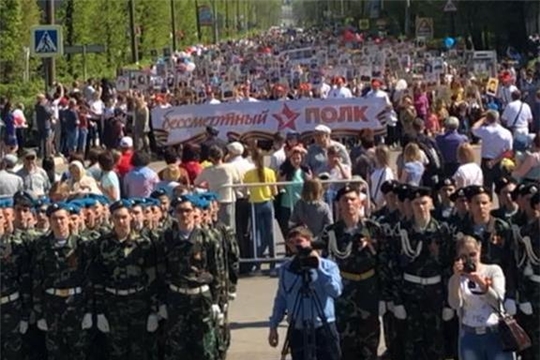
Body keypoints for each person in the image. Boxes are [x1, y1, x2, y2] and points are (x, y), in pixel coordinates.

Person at [319, 186, 382, 360]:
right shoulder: (331, 232)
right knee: (345, 343)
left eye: (352, 199)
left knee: (370, 343)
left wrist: (386, 296)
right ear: (338, 204)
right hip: (344, 292)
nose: (349, 203)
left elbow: (383, 262)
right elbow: (324, 264)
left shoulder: (373, 229)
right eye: (345, 200)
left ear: (360, 202)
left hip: (368, 290)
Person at [157, 195, 221, 360]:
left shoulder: (207, 238)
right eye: (180, 211)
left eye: (187, 210)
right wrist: (162, 302)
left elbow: (217, 271)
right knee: (178, 349)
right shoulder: (167, 239)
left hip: (200, 298)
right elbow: (161, 272)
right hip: (176, 297)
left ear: (194, 212)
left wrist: (217, 302)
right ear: (174, 214)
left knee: (205, 348)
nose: (184, 214)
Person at [92, 199, 158, 360]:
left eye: (123, 217)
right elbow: (98, 278)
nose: (121, 221)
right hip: (113, 304)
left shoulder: (144, 243)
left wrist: (153, 311)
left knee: (140, 351)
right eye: (116, 217)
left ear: (130, 217)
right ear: (111, 219)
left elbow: (152, 279)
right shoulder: (102, 244)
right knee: (116, 352)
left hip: (138, 303)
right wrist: (99, 311)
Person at [268, 226, 342, 360]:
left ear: (310, 241)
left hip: (323, 327)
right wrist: (273, 326)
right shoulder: (287, 269)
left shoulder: (328, 266)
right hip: (298, 328)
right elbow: (281, 299)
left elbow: (335, 291)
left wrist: (318, 266)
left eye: (299, 241)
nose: (296, 246)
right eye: (291, 243)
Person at [31, 202, 94, 359]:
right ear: (50, 221)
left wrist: (89, 311)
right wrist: (39, 313)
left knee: (78, 352)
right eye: (54, 219)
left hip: (76, 306)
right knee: (55, 353)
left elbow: (89, 279)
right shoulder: (41, 246)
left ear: (68, 219)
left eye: (62, 218)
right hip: (52, 307)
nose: (59, 223)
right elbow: (37, 280)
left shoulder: (82, 245)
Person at [448, 235, 514, 360]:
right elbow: (455, 304)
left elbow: (498, 301)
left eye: (473, 254)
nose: (470, 260)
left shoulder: (493, 270)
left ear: (480, 251)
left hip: (494, 332)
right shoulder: (456, 279)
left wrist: (482, 284)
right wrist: (457, 277)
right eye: (464, 257)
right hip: (470, 334)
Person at [471, 110, 513, 194]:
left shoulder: (485, 130)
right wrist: (495, 161)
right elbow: (509, 151)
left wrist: (482, 119)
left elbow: (473, 128)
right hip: (500, 161)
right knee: (501, 187)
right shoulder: (506, 132)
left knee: (487, 187)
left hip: (486, 161)